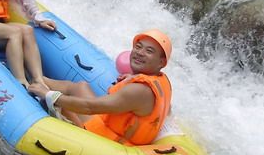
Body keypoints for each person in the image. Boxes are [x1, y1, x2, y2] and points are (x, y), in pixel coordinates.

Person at [28, 30, 173, 146]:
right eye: (138, 47)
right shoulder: (161, 80)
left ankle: (34, 83)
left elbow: (89, 107)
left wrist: (49, 95)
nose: (140, 52)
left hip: (108, 144)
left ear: (161, 62)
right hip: (114, 132)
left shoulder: (139, 90)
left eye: (149, 51)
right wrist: (133, 78)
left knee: (62, 105)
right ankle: (38, 79)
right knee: (81, 86)